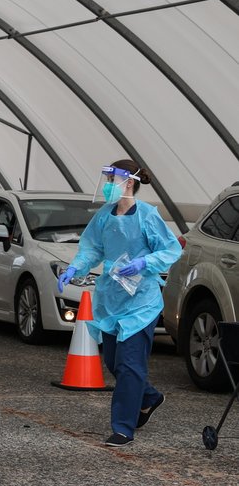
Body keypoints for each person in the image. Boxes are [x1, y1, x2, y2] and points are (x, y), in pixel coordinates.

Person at [57, 160, 181, 447]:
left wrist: (144, 262)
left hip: (141, 301)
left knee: (130, 365)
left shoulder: (148, 215)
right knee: (113, 361)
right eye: (107, 178)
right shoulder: (103, 215)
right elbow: (91, 248)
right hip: (112, 297)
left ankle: (123, 428)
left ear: (128, 182)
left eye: (112, 179)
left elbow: (170, 249)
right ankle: (149, 397)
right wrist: (75, 268)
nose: (108, 184)